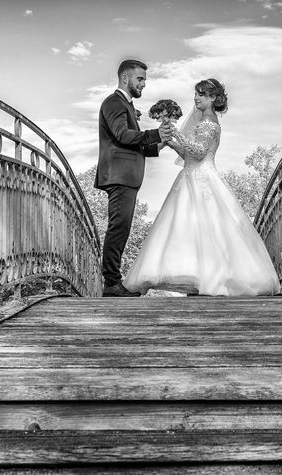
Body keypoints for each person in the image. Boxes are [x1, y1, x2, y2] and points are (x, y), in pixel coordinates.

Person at [124, 79, 281, 296]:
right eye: (196, 94)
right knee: (189, 230)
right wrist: (169, 142)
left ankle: (214, 277)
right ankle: (197, 277)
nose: (196, 98)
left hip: (203, 180)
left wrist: (175, 132)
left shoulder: (210, 121)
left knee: (208, 229)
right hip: (190, 176)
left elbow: (199, 153)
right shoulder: (202, 120)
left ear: (213, 98)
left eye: (202, 94)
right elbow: (189, 156)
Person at [95, 59, 173, 297]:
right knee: (118, 228)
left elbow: (135, 144)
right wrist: (153, 133)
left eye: (145, 80)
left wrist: (162, 142)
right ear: (125, 78)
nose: (143, 84)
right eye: (140, 79)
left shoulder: (125, 105)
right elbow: (122, 135)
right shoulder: (114, 102)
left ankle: (113, 281)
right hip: (119, 176)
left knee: (122, 227)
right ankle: (111, 283)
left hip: (126, 176)